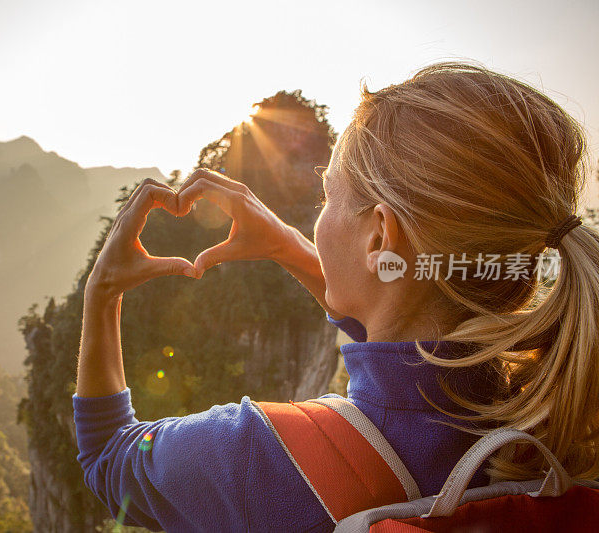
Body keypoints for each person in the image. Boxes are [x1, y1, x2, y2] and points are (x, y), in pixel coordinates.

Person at [73, 61, 599, 532]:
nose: (316, 216)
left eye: (329, 196)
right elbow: (408, 341)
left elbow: (105, 458)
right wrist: (287, 246)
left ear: (379, 236)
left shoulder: (250, 458)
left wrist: (102, 294)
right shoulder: (552, 418)